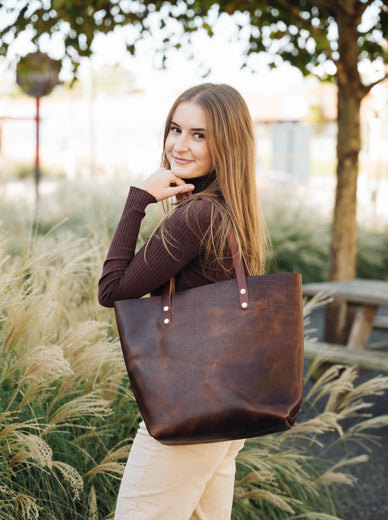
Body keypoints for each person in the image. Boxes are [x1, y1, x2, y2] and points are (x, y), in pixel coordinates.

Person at [98, 83, 266, 520]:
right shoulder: (232, 210)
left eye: (199, 135)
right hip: (223, 413)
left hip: (186, 416)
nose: (179, 145)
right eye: (176, 129)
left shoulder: (197, 215)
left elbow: (111, 290)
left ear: (226, 144)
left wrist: (138, 199)